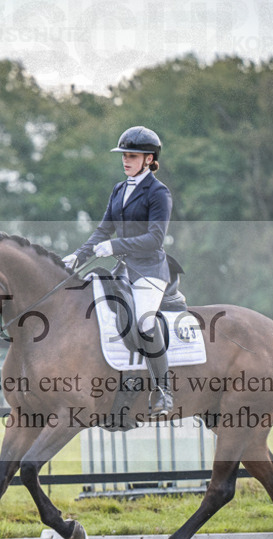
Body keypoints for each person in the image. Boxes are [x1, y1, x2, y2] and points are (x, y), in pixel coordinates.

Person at [63, 125, 174, 417]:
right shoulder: (119, 189)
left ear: (149, 159)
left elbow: (155, 238)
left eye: (133, 156)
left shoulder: (159, 193)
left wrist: (115, 246)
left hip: (150, 270)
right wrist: (78, 254)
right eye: (124, 155)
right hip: (125, 268)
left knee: (145, 322)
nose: (126, 160)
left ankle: (164, 390)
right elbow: (104, 228)